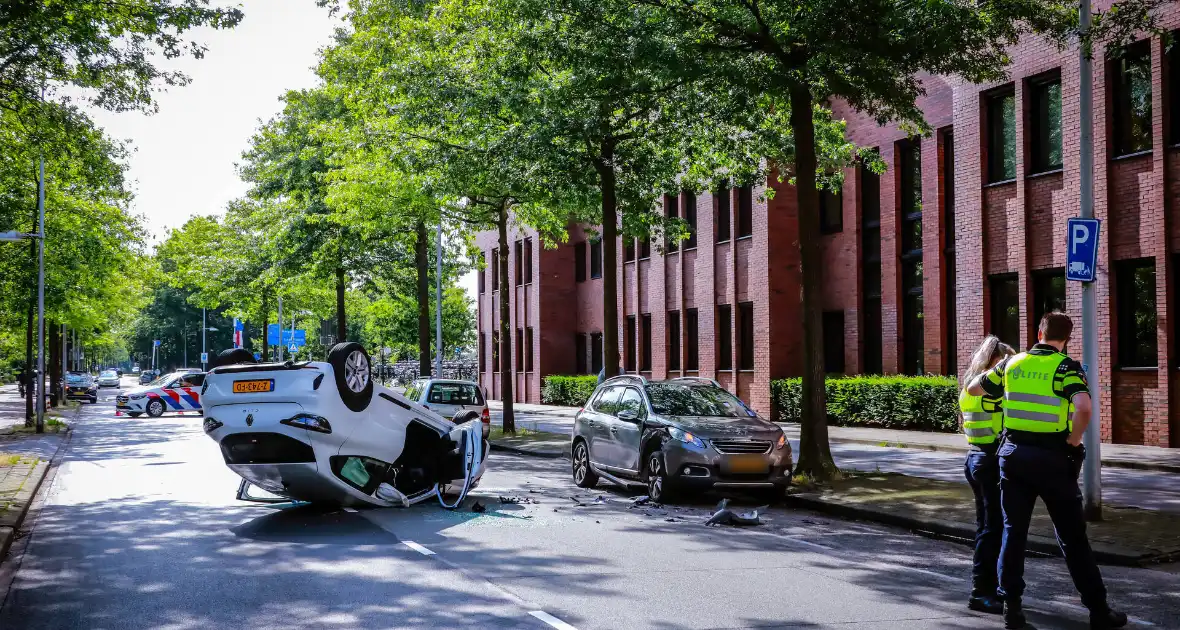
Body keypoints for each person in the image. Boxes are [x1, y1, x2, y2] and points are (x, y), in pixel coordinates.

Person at [967, 312, 1127, 629]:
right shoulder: (1067, 367)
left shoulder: (1012, 364)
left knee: (1013, 533)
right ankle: (1098, 610)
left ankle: (1011, 610)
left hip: (1012, 457)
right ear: (1065, 338)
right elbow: (1083, 407)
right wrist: (1073, 441)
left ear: (1039, 332)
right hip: (1053, 459)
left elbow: (974, 388)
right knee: (1072, 538)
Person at [959, 335, 1015, 615]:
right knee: (993, 530)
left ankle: (984, 589)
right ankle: (982, 592)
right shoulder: (991, 390)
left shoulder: (969, 387)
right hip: (990, 461)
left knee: (986, 528)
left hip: (975, 458)